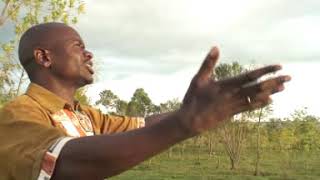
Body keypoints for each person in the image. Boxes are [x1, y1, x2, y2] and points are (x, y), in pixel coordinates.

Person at [0, 22, 291, 180]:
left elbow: (140, 125)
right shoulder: (15, 117)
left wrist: (196, 110)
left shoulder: (85, 116)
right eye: (79, 47)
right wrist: (183, 124)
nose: (89, 55)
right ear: (44, 57)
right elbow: (64, 161)